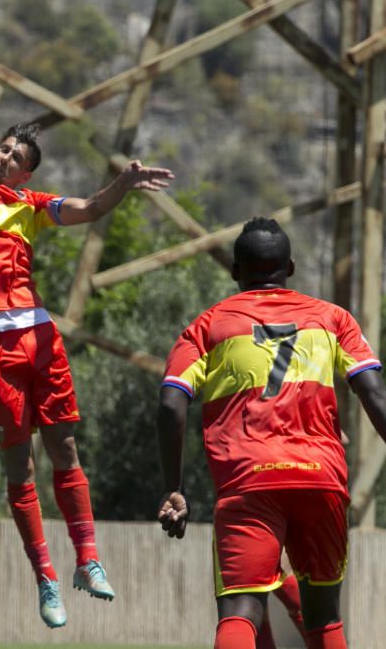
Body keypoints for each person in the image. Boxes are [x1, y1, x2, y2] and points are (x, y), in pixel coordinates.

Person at [0, 122, 174, 628]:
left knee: (65, 450)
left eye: (15, 155)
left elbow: (89, 208)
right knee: (20, 466)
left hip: (40, 337)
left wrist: (121, 185)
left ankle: (87, 560)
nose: (4, 156)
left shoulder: (29, 204)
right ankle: (46, 578)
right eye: (3, 147)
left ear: (26, 171)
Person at [156, 217, 386, 649]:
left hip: (249, 479)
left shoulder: (208, 326)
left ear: (235, 272)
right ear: (291, 268)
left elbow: (171, 405)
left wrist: (174, 488)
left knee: (241, 611)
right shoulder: (333, 319)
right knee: (324, 618)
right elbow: (376, 396)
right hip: (320, 478)